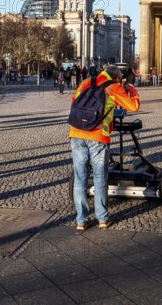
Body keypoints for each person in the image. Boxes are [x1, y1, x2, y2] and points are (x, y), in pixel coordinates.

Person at [69, 64, 140, 231]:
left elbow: (74, 102)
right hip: (98, 136)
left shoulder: (86, 82)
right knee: (100, 177)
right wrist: (131, 89)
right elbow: (133, 106)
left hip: (76, 132)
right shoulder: (114, 86)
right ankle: (102, 219)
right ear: (117, 77)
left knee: (80, 178)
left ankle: (81, 221)